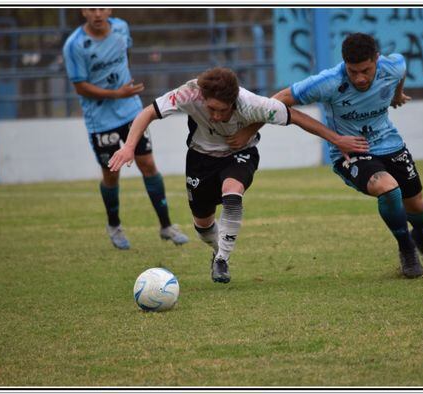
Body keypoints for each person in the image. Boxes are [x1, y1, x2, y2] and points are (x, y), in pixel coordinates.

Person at [108, 67, 369, 283]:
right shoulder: (188, 93)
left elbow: (296, 116)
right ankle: (217, 251)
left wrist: (336, 140)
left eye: (224, 110)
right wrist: (129, 146)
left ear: (235, 100)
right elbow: (148, 113)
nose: (217, 116)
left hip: (240, 155)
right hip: (200, 158)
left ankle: (222, 259)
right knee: (202, 225)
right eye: (212, 109)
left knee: (232, 193)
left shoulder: (252, 104)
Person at [269, 32, 423, 278]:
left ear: (377, 60)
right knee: (388, 187)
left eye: (366, 70)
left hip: (390, 143)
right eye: (353, 72)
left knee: (416, 204)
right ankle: (406, 248)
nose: (360, 78)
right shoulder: (328, 82)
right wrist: (335, 138)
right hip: (351, 152)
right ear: (344, 65)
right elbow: (276, 103)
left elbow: (401, 69)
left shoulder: (392, 67)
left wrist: (396, 95)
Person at [62, 8, 188, 250]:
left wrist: (124, 92)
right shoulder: (75, 45)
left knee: (148, 165)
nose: (98, 13)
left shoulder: (121, 28)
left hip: (131, 112)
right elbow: (79, 87)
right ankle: (114, 226)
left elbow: (123, 58)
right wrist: (115, 93)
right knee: (111, 174)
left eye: (102, 7)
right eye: (91, 8)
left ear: (110, 9)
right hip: (100, 120)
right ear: (82, 11)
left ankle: (166, 226)